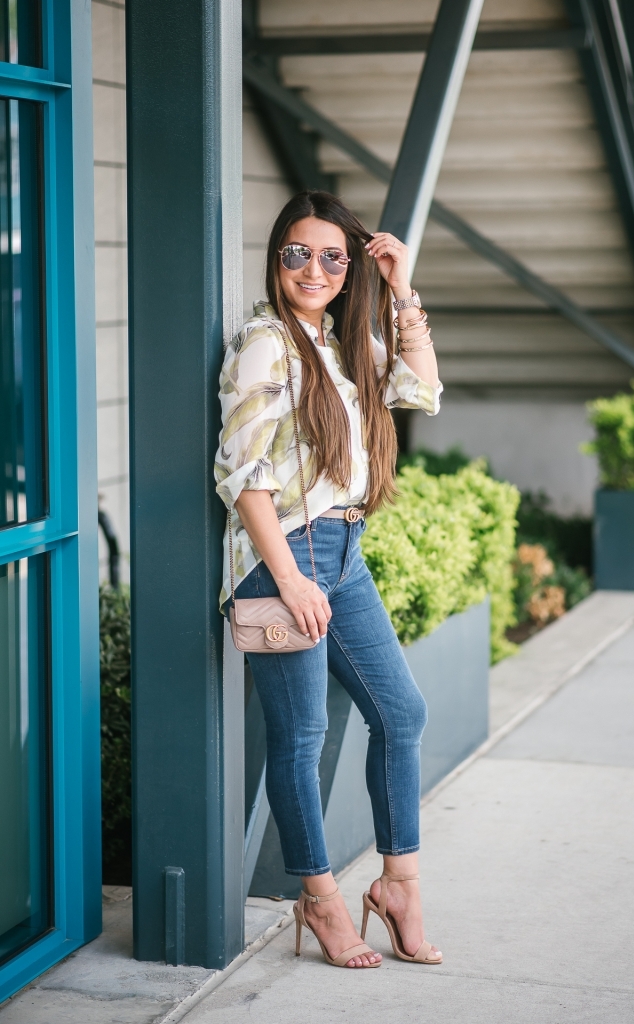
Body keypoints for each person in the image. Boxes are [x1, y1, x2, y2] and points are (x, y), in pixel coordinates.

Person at [215, 191, 443, 969]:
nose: (314, 269)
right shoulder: (265, 344)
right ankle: (318, 900)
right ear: (276, 258)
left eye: (331, 257)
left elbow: (422, 390)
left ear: (349, 269)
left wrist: (401, 287)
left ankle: (400, 885)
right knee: (302, 738)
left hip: (343, 554)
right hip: (286, 559)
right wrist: (289, 581)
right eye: (298, 253)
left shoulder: (343, 345)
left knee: (401, 713)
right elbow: (242, 477)